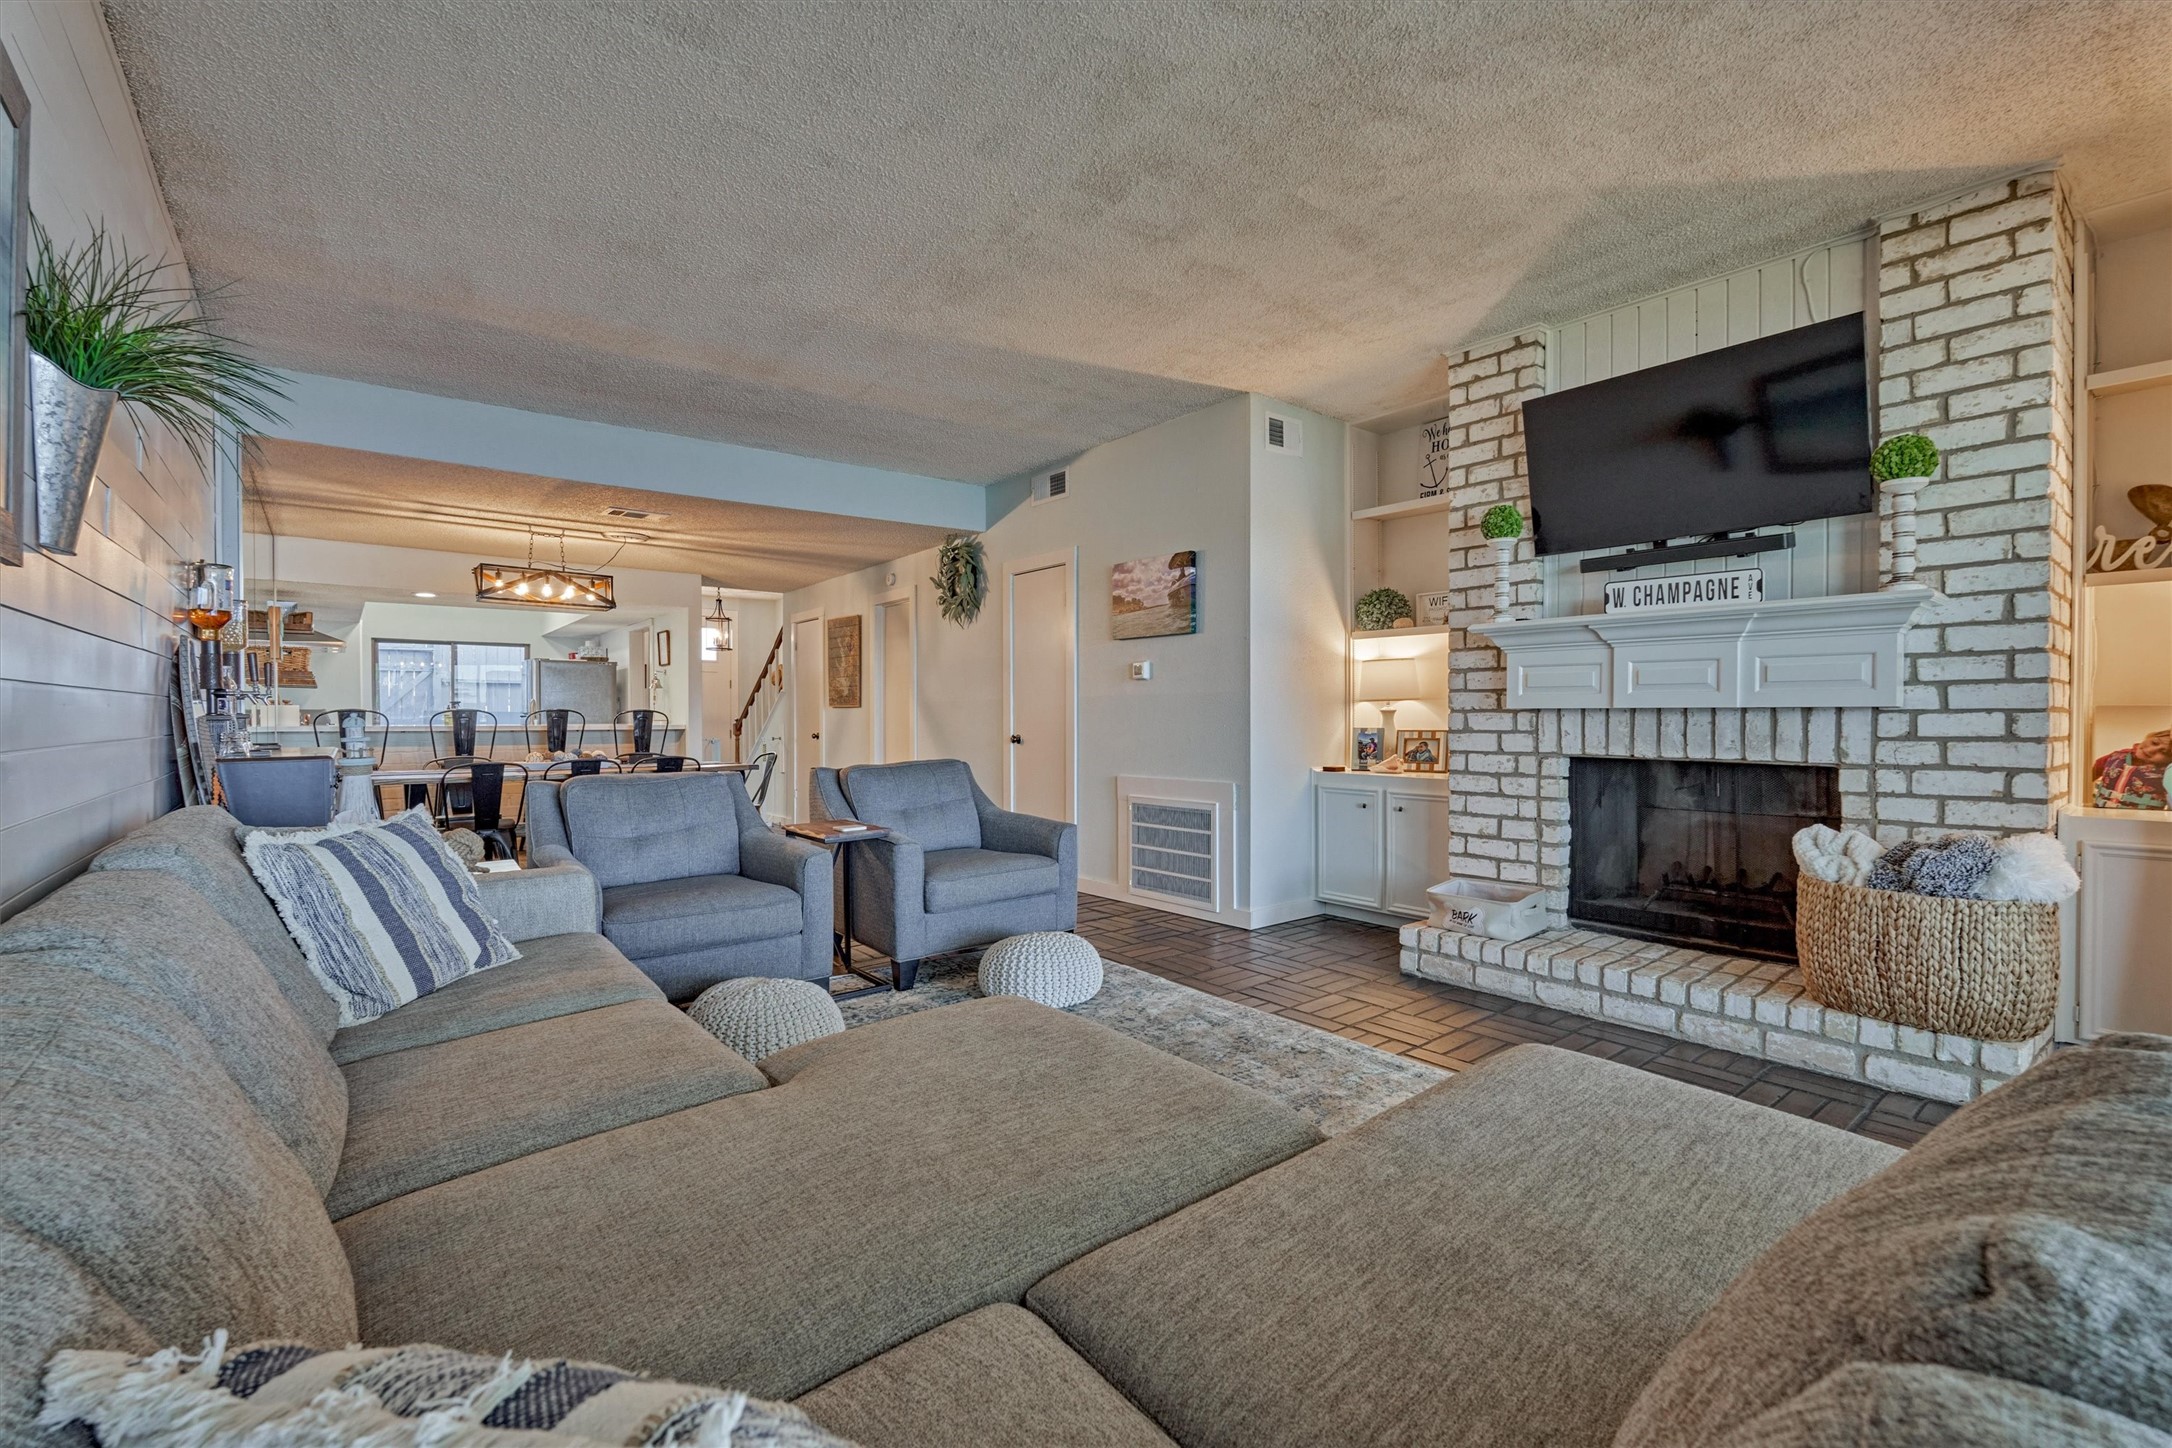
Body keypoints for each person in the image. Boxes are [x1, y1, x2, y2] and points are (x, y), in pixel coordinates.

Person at [2092, 727, 2171, 810]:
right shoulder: (2117, 756)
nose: (2151, 750)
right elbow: (2084, 777)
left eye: (2164, 752)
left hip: (2140, 820)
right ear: (2150, 736)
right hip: (2100, 816)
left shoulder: (2168, 772)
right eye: (2154, 742)